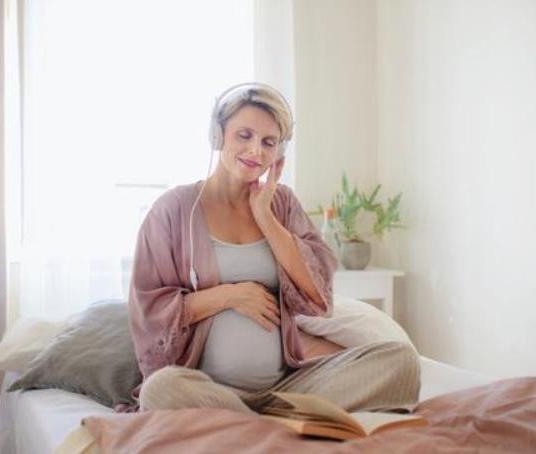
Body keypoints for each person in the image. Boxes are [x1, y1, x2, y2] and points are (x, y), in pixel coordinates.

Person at [126, 82, 420, 414]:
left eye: (269, 142)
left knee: (401, 359)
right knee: (161, 390)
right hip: (208, 390)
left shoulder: (281, 205)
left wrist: (265, 215)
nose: (256, 151)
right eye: (244, 135)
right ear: (217, 135)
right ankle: (270, 425)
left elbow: (316, 295)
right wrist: (231, 295)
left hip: (285, 388)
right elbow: (150, 312)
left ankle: (254, 424)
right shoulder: (173, 209)